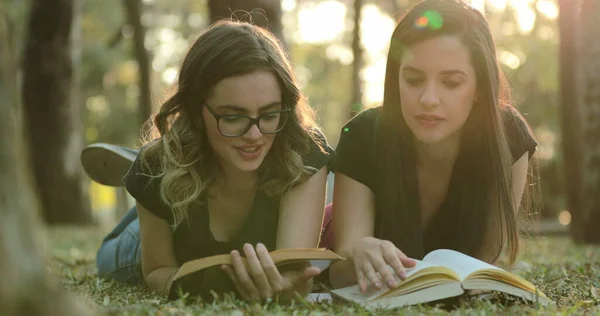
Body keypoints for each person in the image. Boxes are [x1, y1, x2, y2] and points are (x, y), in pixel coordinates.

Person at [94, 20, 336, 303]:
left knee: (161, 171)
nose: (255, 135)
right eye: (233, 117)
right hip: (152, 238)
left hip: (183, 180)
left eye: (270, 114)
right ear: (197, 111)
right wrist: (217, 291)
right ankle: (146, 185)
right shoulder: (157, 167)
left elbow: (297, 274)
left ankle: (146, 178)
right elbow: (158, 270)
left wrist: (284, 288)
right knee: (111, 259)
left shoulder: (302, 150)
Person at [328, 0, 540, 293]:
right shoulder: (364, 134)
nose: (428, 98)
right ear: (395, 78)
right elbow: (340, 272)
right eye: (413, 79)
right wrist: (359, 253)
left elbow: (487, 264)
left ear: (479, 86)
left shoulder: (507, 137)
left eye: (451, 82)